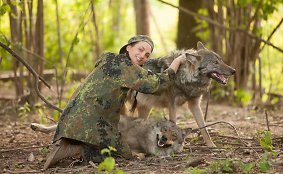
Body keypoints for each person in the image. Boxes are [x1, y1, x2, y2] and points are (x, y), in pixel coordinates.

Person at [43, 35, 186, 170]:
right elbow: (159, 84)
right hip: (92, 123)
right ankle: (78, 149)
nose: (143, 56)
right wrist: (176, 62)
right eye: (140, 49)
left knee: (116, 136)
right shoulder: (127, 68)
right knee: (125, 154)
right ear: (128, 47)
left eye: (147, 55)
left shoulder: (108, 59)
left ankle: (71, 142)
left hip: (67, 120)